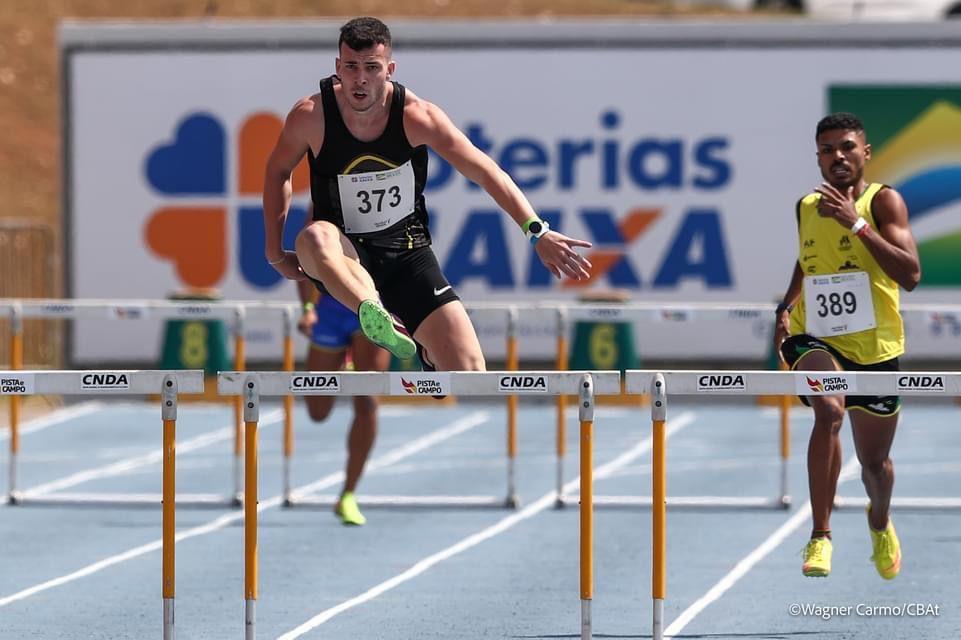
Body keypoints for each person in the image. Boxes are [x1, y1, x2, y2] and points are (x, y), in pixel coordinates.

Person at [263, 16, 592, 375]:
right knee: (313, 235)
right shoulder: (311, 117)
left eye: (371, 68)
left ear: (389, 69)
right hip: (346, 255)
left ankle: (422, 348)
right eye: (352, 67)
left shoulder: (417, 117)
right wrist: (274, 251)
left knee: (470, 372)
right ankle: (378, 315)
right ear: (337, 67)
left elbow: (485, 170)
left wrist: (536, 231)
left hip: (406, 254)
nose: (359, 80)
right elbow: (278, 171)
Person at [773, 112, 921, 579]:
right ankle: (820, 536)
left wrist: (857, 225)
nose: (837, 156)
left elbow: (910, 274)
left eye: (846, 147)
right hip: (813, 337)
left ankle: (879, 521)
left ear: (865, 152)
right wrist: (786, 304)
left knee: (875, 466)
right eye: (827, 149)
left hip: (875, 349)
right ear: (817, 156)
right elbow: (808, 259)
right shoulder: (805, 205)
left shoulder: (886, 203)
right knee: (829, 409)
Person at [296, 258, 390, 526]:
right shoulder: (321, 216)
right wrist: (307, 308)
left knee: (366, 402)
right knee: (317, 411)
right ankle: (347, 361)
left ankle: (348, 493)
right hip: (330, 311)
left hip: (372, 311)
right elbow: (304, 260)